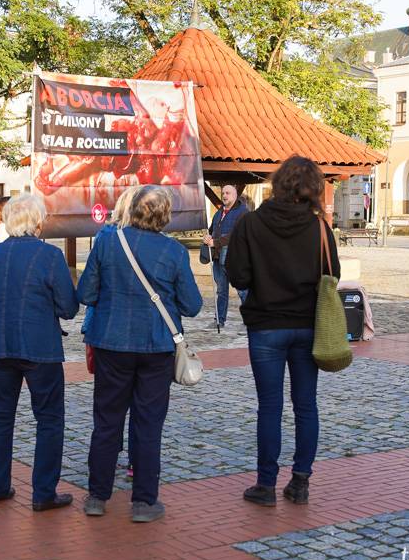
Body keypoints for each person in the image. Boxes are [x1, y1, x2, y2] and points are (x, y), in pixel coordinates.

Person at [78, 186, 203, 523]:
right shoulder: (174, 252)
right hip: (155, 346)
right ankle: (145, 502)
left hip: (111, 343)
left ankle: (97, 496)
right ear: (165, 216)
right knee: (148, 424)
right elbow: (192, 305)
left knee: (106, 422)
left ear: (131, 209)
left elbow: (86, 292)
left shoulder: (106, 242)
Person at [226, 156, 340, 507]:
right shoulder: (319, 227)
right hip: (308, 325)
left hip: (265, 327)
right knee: (306, 405)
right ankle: (301, 481)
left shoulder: (251, 224)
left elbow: (238, 275)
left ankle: (266, 484)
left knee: (269, 406)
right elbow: (332, 273)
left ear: (278, 184)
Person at [0, 194, 79, 512]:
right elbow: (69, 307)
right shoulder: (49, 256)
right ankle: (43, 491)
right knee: (49, 419)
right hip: (39, 347)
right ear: (37, 222)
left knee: (0, 416)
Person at [81, 187, 140, 479]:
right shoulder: (164, 244)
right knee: (143, 409)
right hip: (148, 341)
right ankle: (136, 463)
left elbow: (87, 291)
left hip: (107, 334)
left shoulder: (105, 239)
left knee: (107, 408)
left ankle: (102, 470)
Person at [203, 185, 248, 328]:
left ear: (235, 195)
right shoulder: (219, 212)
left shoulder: (243, 212)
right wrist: (207, 237)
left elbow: (236, 234)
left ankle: (250, 321)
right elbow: (212, 229)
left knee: (242, 290)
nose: (224, 195)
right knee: (221, 290)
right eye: (223, 193)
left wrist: (215, 242)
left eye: (227, 193)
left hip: (234, 258)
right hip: (217, 258)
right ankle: (219, 320)